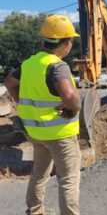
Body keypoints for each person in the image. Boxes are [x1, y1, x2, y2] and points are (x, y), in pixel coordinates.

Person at [4, 14, 82, 214]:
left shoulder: (29, 63)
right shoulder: (57, 66)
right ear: (66, 43)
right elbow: (70, 95)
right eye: (70, 40)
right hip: (60, 134)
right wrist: (73, 108)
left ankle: (35, 210)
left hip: (36, 132)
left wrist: (22, 101)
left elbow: (9, 83)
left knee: (39, 173)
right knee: (69, 179)